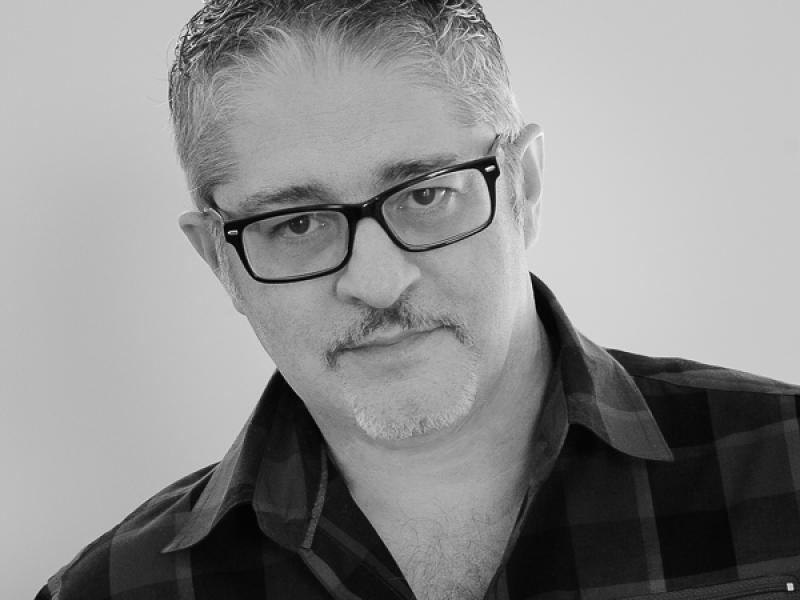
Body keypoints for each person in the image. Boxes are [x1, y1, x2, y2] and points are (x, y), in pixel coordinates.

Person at [37, 1, 800, 599]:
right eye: (297, 223)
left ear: (525, 186)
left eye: (425, 194)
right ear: (219, 261)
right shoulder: (114, 590)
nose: (375, 281)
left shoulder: (785, 464)